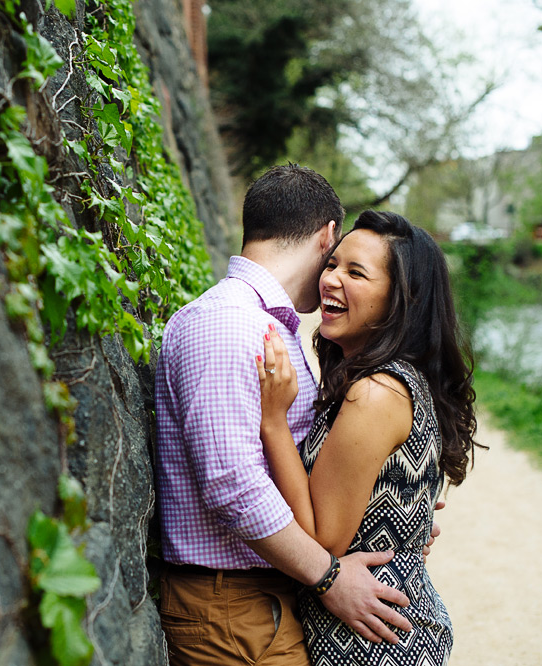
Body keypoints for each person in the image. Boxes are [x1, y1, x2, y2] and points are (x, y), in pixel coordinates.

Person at [155, 165, 418, 666]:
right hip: (232, 608)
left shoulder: (265, 324)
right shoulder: (228, 325)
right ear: (327, 237)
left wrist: (395, 505)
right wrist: (330, 577)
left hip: (262, 600)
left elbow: (302, 459)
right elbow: (233, 483)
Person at [255, 210, 481, 665]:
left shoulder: (378, 391)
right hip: (377, 634)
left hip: (375, 646)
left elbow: (323, 539)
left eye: (356, 272)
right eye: (333, 264)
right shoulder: (383, 378)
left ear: (401, 299)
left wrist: (274, 423)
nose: (331, 280)